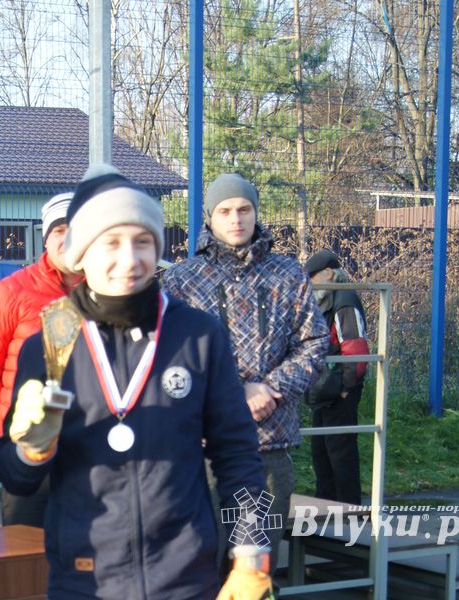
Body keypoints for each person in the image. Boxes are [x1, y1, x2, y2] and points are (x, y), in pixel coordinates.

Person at [0, 165, 268, 599]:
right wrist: (32, 450)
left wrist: (254, 551)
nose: (130, 259)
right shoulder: (50, 339)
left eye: (143, 241)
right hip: (86, 582)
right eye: (111, 243)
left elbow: (238, 453)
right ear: (81, 252)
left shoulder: (197, 334)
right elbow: (15, 478)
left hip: (184, 580)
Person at [161, 173, 329, 575]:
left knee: (256, 568)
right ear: (210, 217)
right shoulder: (183, 280)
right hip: (201, 447)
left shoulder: (288, 275)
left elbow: (315, 343)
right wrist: (234, 393)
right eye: (225, 211)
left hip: (268, 444)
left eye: (244, 209)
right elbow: (169, 359)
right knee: (196, 564)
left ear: (255, 213)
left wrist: (269, 388)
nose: (235, 218)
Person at [0, 192, 81, 527]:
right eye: (60, 230)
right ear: (46, 238)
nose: (69, 238)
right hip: (29, 450)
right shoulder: (11, 292)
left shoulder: (106, 294)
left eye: (76, 228)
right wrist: (15, 428)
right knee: (26, 561)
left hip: (89, 452)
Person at [304, 250, 369, 505]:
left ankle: (347, 512)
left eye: (312, 277)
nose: (309, 283)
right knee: (322, 454)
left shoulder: (344, 300)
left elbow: (356, 349)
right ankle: (326, 510)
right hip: (324, 390)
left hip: (338, 390)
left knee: (340, 455)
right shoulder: (327, 300)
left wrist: (344, 388)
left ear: (329, 273)